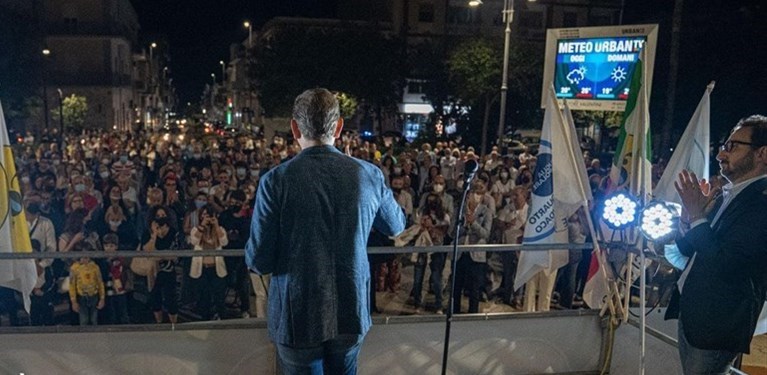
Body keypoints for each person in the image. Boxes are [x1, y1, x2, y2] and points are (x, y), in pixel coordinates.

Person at [246, 88, 405, 374]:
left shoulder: (275, 182)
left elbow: (258, 260)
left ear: (294, 128)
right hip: (351, 309)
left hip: (297, 316)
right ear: (339, 127)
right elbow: (396, 225)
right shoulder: (368, 173)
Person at [666, 115, 767, 374]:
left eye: (732, 146)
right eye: (724, 146)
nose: (721, 154)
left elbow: (727, 264)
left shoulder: (761, 203)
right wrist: (689, 219)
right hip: (694, 318)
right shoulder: (727, 194)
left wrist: (698, 216)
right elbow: (687, 251)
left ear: (762, 153)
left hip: (717, 325)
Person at [68, 242, 106, 326]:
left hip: (94, 296)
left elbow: (100, 282)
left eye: (87, 256)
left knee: (94, 320)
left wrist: (102, 298)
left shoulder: (95, 267)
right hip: (81, 297)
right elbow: (72, 286)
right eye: (82, 256)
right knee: (83, 320)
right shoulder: (74, 268)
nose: (84, 259)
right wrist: (73, 301)